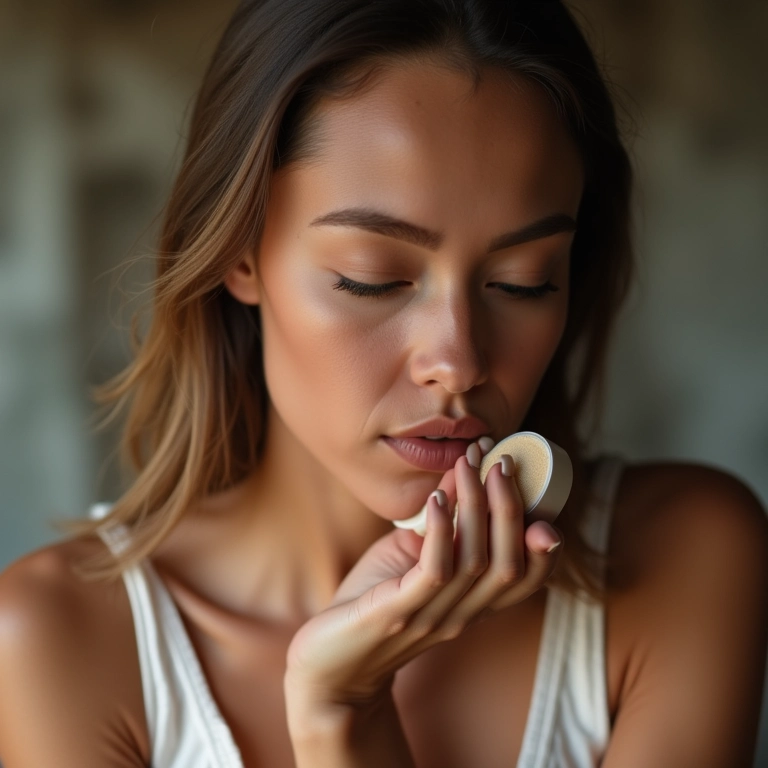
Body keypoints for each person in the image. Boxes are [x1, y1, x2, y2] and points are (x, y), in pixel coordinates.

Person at [0, 1, 766, 766]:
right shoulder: (64, 642)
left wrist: (345, 721)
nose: (458, 361)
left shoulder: (681, 561)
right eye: (372, 280)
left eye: (524, 282)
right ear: (239, 253)